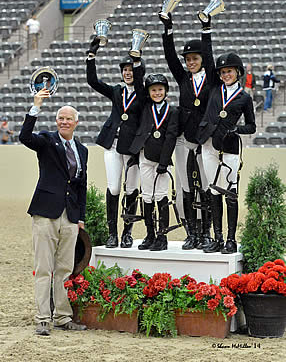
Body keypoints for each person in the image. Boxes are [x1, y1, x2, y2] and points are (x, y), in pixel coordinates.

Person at [19, 89, 88, 336]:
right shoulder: (47, 141)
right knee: (44, 268)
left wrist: (80, 217)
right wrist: (35, 107)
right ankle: (42, 319)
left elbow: (82, 185)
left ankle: (62, 316)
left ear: (76, 123)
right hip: (46, 213)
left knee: (63, 270)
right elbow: (25, 136)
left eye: (69, 118)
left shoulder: (82, 150)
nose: (64, 121)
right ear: (56, 121)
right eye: (61, 118)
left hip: (70, 217)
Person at [197, 13, 256, 254]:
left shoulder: (244, 98)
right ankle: (217, 238)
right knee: (212, 191)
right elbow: (208, 58)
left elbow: (251, 126)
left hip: (230, 146)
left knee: (230, 192)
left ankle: (231, 239)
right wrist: (206, 29)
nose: (225, 75)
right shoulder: (214, 87)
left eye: (229, 71)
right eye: (223, 72)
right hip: (209, 144)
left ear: (238, 72)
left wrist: (236, 129)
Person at [159, 12, 212, 251]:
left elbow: (210, 55)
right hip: (185, 139)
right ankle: (191, 232)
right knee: (186, 187)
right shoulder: (183, 79)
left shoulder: (211, 78)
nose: (190, 62)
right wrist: (168, 30)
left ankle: (207, 233)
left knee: (206, 185)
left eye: (194, 58)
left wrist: (206, 29)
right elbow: (170, 58)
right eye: (188, 59)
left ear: (202, 58)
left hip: (207, 139)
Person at [86, 37, 145, 249]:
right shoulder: (116, 91)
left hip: (131, 148)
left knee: (131, 189)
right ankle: (112, 233)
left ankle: (127, 232)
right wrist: (92, 56)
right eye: (124, 70)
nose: (127, 73)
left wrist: (137, 63)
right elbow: (93, 82)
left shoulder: (144, 93)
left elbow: (139, 82)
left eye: (131, 69)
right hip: (112, 144)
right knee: (112, 187)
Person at [129, 71, 179, 251]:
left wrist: (164, 162)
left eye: (160, 89)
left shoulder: (173, 111)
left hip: (162, 160)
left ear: (165, 91)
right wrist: (137, 65)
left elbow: (171, 137)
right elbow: (138, 86)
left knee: (161, 196)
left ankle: (162, 235)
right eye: (153, 90)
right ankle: (149, 234)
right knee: (147, 196)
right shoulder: (145, 107)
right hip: (145, 157)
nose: (157, 93)